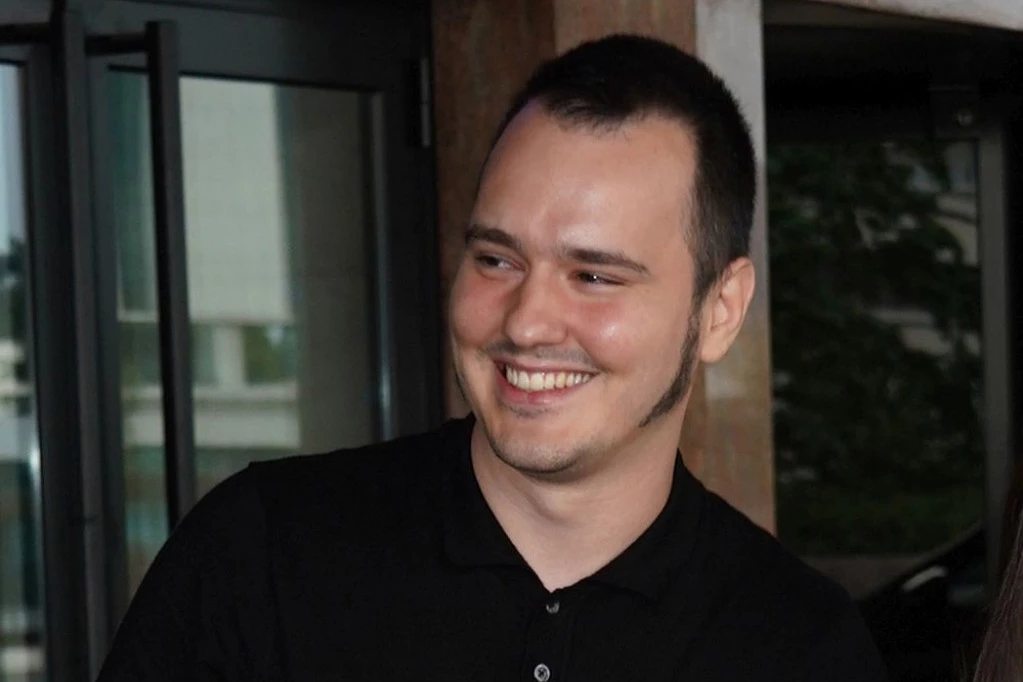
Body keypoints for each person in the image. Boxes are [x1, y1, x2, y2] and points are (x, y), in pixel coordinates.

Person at [97, 34, 887, 681]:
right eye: (496, 260)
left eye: (594, 276)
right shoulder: (263, 555)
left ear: (719, 310)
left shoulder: (799, 645)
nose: (527, 322)